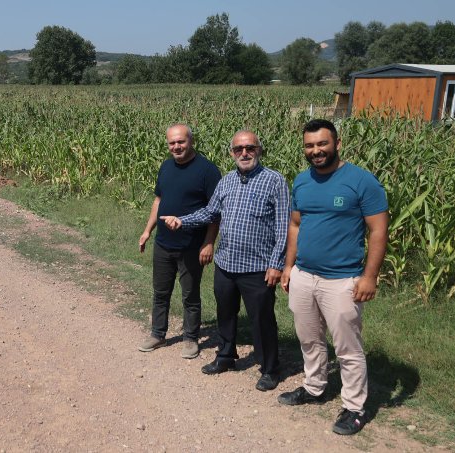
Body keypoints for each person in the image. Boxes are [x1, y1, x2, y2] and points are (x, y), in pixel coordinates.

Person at [278, 119, 388, 436]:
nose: (316, 151)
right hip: (303, 275)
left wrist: (370, 277)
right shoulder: (301, 181)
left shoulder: (361, 181)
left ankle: (354, 407)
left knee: (348, 349)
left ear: (337, 144)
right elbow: (296, 225)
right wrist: (289, 267)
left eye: (322, 144)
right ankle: (315, 388)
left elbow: (379, 230)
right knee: (309, 339)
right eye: (310, 146)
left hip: (342, 281)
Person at [162, 130, 289, 392]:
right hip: (226, 263)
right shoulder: (227, 181)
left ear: (259, 150)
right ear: (231, 153)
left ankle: (269, 368)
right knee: (225, 314)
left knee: (261, 320)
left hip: (258, 267)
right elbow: (210, 212)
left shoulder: (274, 180)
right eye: (238, 149)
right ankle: (226, 356)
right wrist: (183, 220)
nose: (244, 153)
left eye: (250, 148)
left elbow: (284, 226)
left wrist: (277, 263)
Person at [137, 124, 221, 359]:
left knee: (190, 295)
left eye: (181, 142)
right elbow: (158, 201)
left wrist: (208, 242)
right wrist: (147, 231)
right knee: (160, 292)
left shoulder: (207, 171)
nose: (176, 146)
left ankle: (191, 338)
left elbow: (215, 212)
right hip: (163, 243)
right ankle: (157, 334)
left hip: (191, 246)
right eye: (172, 143)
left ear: (191, 141)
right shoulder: (166, 166)